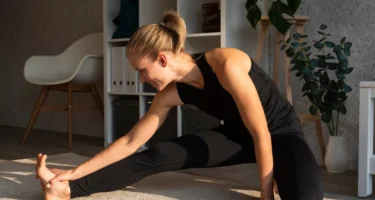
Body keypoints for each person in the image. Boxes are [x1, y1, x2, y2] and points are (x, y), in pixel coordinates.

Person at [36, 10, 324, 200]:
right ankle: (65, 191)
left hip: (281, 134)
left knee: (307, 193)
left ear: (162, 59)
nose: (141, 79)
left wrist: (265, 194)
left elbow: (262, 131)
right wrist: (73, 174)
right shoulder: (170, 93)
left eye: (142, 70)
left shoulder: (226, 63)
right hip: (238, 136)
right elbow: (130, 141)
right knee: (157, 154)